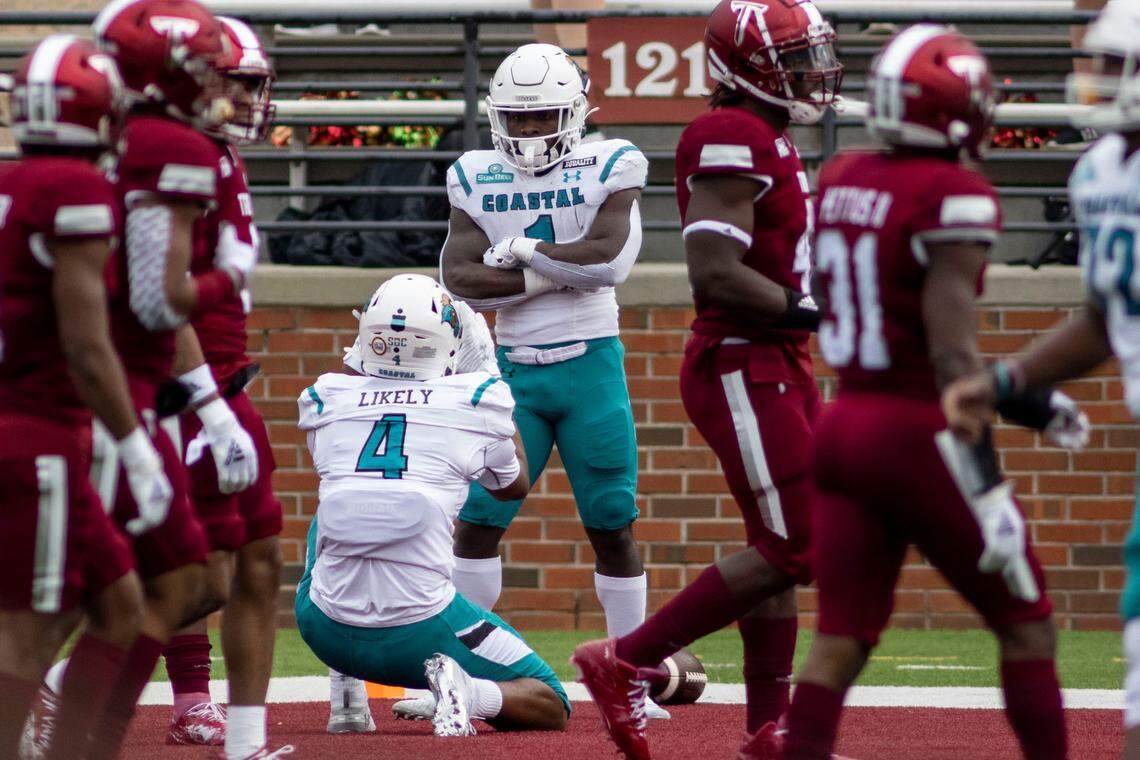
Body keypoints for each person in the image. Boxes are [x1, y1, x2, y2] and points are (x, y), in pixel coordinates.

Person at [774, 26, 1088, 760]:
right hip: (916, 433)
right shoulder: (954, 192)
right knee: (1027, 622)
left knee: (841, 641)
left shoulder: (846, 174)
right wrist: (1027, 412)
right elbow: (952, 360)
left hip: (843, 425)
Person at [572, 1, 842, 757]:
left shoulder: (765, 135)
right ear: (743, 65)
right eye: (791, 59)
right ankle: (628, 659)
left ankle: (767, 727)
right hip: (742, 360)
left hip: (773, 358)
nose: (806, 73)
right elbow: (715, 274)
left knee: (781, 546)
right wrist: (820, 311)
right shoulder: (731, 133)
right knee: (800, 545)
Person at [30, 3, 264, 759]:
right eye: (205, 70)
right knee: (117, 588)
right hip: (131, 391)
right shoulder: (165, 142)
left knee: (142, 586)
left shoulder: (106, 151)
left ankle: (79, 730)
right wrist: (228, 276)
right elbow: (155, 301)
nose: (224, 90)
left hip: (120, 389)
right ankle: (76, 729)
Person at [437, 42, 669, 719]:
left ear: (573, 114)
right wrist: (546, 273)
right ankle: (461, 670)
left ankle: (629, 674)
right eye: (519, 118)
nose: (532, 132)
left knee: (612, 522)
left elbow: (606, 262)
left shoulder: (611, 162)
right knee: (480, 522)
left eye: (543, 118)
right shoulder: (474, 174)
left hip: (591, 363)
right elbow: (460, 277)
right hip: (514, 377)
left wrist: (525, 253)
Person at [942, 2, 1140, 758]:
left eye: (1123, 65)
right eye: (1104, 63)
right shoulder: (1098, 170)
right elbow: (1102, 314)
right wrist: (1007, 382)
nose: (1103, 82)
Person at [295, 274, 570, 737]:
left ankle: (346, 695)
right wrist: (488, 376)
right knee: (550, 700)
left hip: (322, 628)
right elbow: (512, 486)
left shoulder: (328, 398)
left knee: (338, 502)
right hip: (418, 636)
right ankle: (466, 689)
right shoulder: (474, 400)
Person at [0, 35, 162, 760]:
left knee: (121, 603)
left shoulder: (14, 181)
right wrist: (133, 443)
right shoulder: (74, 190)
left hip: (29, 424)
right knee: (25, 632)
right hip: (38, 431)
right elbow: (86, 343)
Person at [159, 18, 285, 758]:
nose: (251, 96)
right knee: (201, 577)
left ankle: (242, 740)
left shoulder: (217, 154)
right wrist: (203, 397)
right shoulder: (170, 157)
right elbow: (159, 294)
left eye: (253, 82)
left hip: (227, 383)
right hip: (188, 390)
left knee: (260, 561)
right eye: (237, 81)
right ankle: (56, 680)